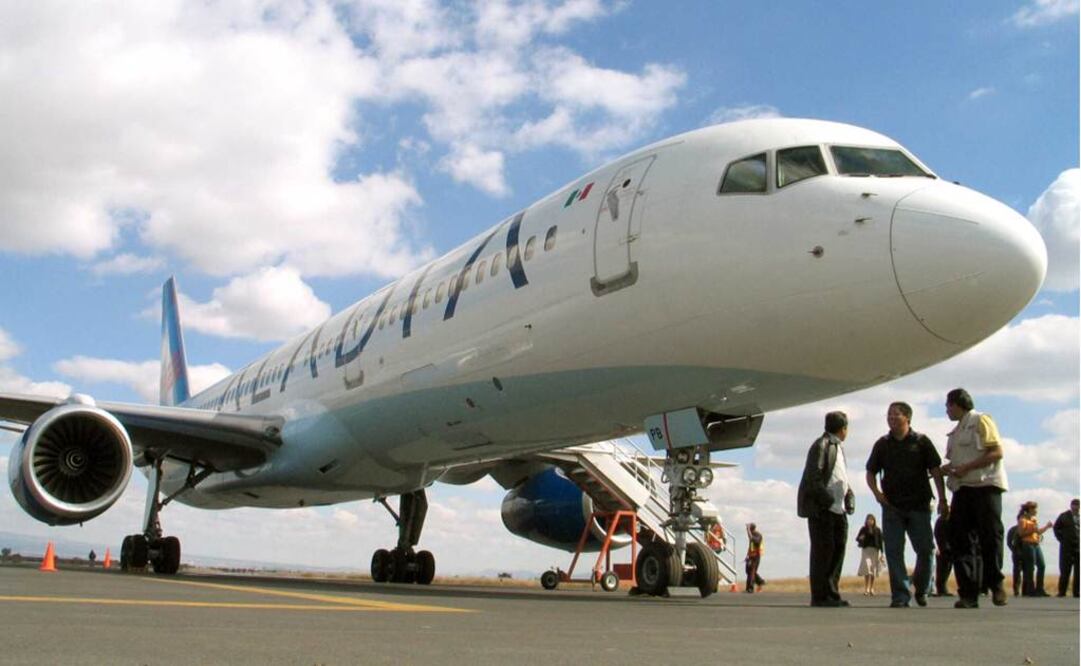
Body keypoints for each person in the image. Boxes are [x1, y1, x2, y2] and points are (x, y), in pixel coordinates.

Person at [866, 401, 946, 608]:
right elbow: (870, 472)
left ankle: (922, 587)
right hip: (892, 506)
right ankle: (901, 595)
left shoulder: (921, 442)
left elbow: (936, 471)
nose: (891, 418)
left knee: (926, 549)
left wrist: (943, 499)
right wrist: (877, 493)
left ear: (907, 418)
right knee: (893, 551)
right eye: (889, 415)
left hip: (919, 505)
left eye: (896, 415)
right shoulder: (882, 444)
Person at [940, 388, 1009, 609]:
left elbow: (996, 452)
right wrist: (947, 469)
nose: (947, 410)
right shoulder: (956, 432)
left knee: (990, 536)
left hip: (985, 486)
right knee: (960, 540)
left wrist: (965, 468)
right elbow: (959, 461)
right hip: (963, 489)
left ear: (958, 404)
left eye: (948, 405)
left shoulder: (981, 420)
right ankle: (968, 592)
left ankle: (996, 584)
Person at [797, 410, 855, 607]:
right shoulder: (822, 445)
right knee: (823, 552)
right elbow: (813, 478)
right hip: (824, 509)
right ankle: (821, 595)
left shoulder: (837, 448)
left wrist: (848, 495)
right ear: (843, 429)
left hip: (838, 510)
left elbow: (839, 476)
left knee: (837, 550)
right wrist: (828, 500)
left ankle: (832, 592)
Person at [1017, 501, 1053, 596]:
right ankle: (1030, 590)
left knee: (1042, 565)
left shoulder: (1033, 519)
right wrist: (1031, 530)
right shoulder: (1022, 520)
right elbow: (1021, 534)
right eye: (1034, 509)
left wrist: (1046, 527)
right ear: (1029, 510)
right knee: (1030, 567)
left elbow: (1037, 532)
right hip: (1027, 544)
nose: (1036, 511)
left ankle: (1040, 589)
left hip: (1036, 544)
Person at [1052, 498, 1079, 597]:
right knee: (1065, 570)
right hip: (1067, 547)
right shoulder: (1064, 516)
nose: (1076, 507)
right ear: (1071, 506)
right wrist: (1062, 539)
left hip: (1078, 547)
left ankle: (1077, 592)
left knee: (1078, 572)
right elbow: (1056, 528)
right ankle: (1062, 591)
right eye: (1074, 505)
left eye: (1077, 505)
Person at [855, 513, 884, 596]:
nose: (869, 521)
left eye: (871, 520)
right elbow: (857, 538)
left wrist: (882, 553)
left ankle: (871, 588)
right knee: (867, 568)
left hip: (875, 550)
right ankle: (866, 588)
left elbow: (881, 542)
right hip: (866, 550)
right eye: (868, 519)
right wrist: (861, 538)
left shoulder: (877, 530)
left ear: (874, 521)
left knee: (873, 570)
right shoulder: (863, 529)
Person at [932, 512, 953, 596]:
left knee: (948, 555)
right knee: (945, 553)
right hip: (945, 520)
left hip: (954, 519)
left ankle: (941, 586)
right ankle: (940, 586)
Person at [744, 523, 765, 592]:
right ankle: (760, 581)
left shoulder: (758, 535)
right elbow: (750, 547)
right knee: (748, 571)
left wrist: (748, 530)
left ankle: (750, 588)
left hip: (756, 556)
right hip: (751, 556)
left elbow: (753, 539)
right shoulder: (752, 534)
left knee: (752, 572)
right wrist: (747, 556)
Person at [1006, 524, 1023, 596]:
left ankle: (1025, 590)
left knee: (1026, 571)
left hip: (1025, 552)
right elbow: (1009, 542)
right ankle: (1016, 590)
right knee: (1017, 571)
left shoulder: (1030, 527)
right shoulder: (1013, 529)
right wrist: (1014, 550)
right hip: (1017, 552)